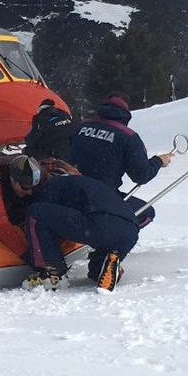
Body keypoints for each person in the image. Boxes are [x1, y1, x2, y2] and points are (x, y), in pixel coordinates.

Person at [69, 94, 173, 280]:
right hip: (102, 197)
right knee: (146, 212)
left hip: (70, 190)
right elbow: (141, 175)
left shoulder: (80, 127)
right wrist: (158, 161)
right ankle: (106, 253)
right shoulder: (128, 137)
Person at [23, 172, 140, 292]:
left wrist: (30, 254)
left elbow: (45, 226)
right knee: (96, 271)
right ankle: (110, 262)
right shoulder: (83, 183)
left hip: (100, 223)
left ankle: (52, 273)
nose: (28, 192)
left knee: (36, 213)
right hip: (130, 232)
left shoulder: (50, 187)